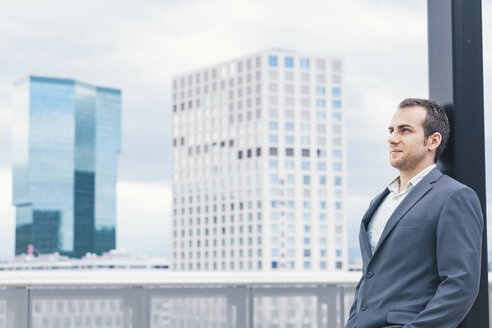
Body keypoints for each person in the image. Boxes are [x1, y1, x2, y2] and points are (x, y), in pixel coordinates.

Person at [345, 98, 483, 328]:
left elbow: (461, 286)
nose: (392, 138)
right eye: (391, 130)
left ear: (433, 141)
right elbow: (369, 279)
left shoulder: (454, 196)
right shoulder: (378, 202)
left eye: (405, 130)